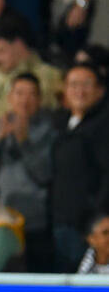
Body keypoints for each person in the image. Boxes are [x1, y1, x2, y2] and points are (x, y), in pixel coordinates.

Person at [0, 73, 56, 271]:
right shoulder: (0, 124)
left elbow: (44, 173)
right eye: (19, 93)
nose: (25, 100)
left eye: (32, 94)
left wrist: (24, 141)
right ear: (10, 98)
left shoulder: (49, 130)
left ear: (39, 100)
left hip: (35, 219)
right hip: (1, 216)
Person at [50, 62, 109, 272]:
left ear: (100, 90)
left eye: (86, 84)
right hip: (58, 221)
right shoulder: (60, 122)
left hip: (87, 227)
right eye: (73, 84)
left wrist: (94, 217)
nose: (79, 91)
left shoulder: (103, 125)